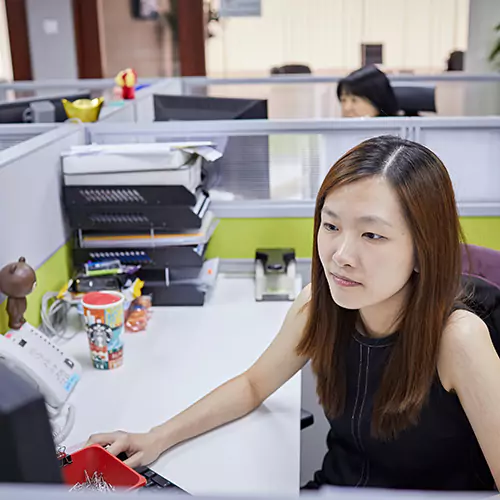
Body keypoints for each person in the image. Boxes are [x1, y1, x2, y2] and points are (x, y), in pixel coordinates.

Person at [88, 135, 500, 491]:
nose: (340, 256)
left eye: (372, 234)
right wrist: (156, 437)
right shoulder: (319, 305)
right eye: (331, 225)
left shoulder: (458, 340)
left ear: (422, 250)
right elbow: (253, 385)